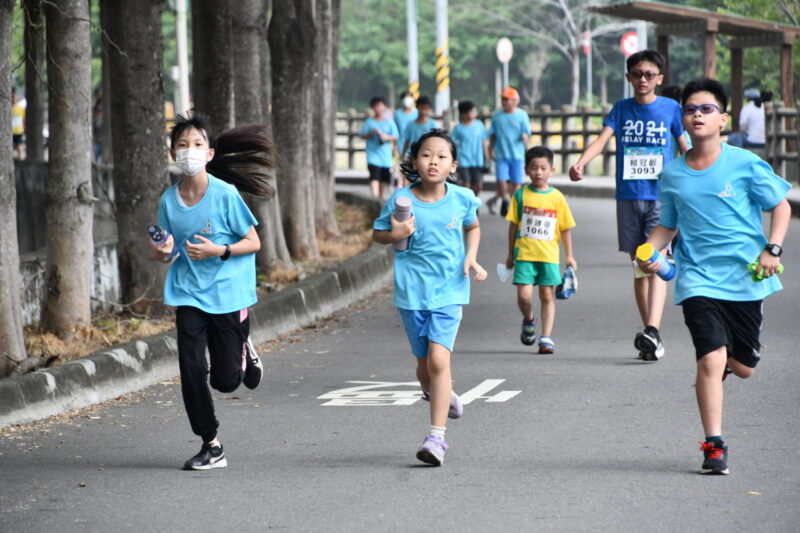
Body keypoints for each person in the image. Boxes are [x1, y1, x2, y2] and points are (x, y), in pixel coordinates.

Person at [637, 78, 790, 475]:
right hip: (697, 279)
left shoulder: (744, 163)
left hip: (745, 279)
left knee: (743, 367)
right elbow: (666, 227)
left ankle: (720, 366)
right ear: (683, 119)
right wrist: (650, 253)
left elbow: (781, 206)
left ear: (723, 118)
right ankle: (714, 445)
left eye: (706, 109)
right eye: (690, 109)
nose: (697, 115)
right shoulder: (672, 175)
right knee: (711, 357)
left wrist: (772, 248)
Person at [150, 113, 275, 471]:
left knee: (225, 381)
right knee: (191, 368)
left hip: (227, 294)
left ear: (210, 154)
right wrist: (162, 251)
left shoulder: (225, 194)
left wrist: (218, 250)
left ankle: (243, 347)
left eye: (198, 144)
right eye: (183, 145)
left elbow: (253, 241)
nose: (190, 151)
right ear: (173, 154)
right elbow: (165, 250)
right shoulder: (168, 201)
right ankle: (211, 443)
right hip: (188, 293)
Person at [372, 129, 487, 466]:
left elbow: (474, 226)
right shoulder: (400, 200)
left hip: (450, 290)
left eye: (440, 156)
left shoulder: (463, 197)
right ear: (414, 161)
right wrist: (395, 233)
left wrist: (470, 256)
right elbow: (378, 234)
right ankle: (441, 391)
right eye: (425, 154)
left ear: (453, 165)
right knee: (424, 367)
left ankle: (436, 438)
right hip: (411, 293)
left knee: (439, 360)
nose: (432, 161)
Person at [568, 50, 690, 362]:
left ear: (660, 79)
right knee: (638, 266)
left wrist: (698, 173)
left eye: (649, 74)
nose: (643, 79)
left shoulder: (671, 109)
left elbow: (686, 145)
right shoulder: (622, 109)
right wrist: (581, 162)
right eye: (637, 74)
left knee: (653, 258)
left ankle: (653, 327)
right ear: (628, 78)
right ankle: (650, 335)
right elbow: (602, 139)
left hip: (660, 197)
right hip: (628, 196)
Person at [505, 146, 577, 354]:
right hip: (525, 254)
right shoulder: (520, 195)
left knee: (547, 295)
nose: (538, 172)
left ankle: (546, 337)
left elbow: (565, 228)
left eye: (543, 168)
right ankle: (529, 319)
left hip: (548, 256)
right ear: (526, 169)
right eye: (534, 168)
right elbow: (513, 226)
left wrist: (570, 255)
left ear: (551, 170)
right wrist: (510, 254)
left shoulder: (557, 198)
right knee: (524, 296)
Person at [487, 86, 531, 217]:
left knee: (516, 183)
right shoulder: (497, 116)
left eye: (507, 99)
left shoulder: (522, 115)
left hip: (517, 155)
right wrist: (490, 149)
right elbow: (492, 134)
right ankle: (505, 201)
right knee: (501, 180)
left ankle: (511, 205)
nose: (505, 102)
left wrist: (524, 136)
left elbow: (527, 131)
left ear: (515, 100)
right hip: (501, 154)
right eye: (503, 99)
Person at [359, 96, 400, 198]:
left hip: (385, 156)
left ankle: (380, 199)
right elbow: (362, 135)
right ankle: (375, 197)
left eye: (380, 106)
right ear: (373, 108)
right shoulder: (369, 122)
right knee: (374, 176)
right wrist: (371, 133)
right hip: (373, 155)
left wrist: (386, 137)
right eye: (376, 106)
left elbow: (396, 136)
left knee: (384, 179)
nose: (378, 108)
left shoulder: (389, 122)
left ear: (384, 107)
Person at [451, 100, 489, 199]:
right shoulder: (458, 128)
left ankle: (473, 201)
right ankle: (467, 204)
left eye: (474, 111)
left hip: (478, 160)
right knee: (466, 184)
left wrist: (487, 157)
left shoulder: (479, 125)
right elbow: (452, 144)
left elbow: (484, 142)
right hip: (463, 160)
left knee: (478, 185)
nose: (474, 113)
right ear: (463, 114)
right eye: (471, 111)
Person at [11, 87, 26, 160]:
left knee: (20, 147)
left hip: (18, 131)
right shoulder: (7, 107)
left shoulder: (20, 107)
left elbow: (23, 119)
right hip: (9, 131)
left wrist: (24, 128)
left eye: (14, 96)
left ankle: (21, 161)